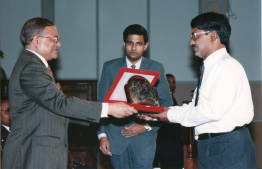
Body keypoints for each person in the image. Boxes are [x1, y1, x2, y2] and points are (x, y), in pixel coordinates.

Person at [2, 17, 137, 169]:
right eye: (54, 39)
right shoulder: (32, 68)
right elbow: (60, 104)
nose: (58, 44)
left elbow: (55, 111)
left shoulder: (33, 65)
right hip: (33, 155)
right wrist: (109, 109)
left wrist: (107, 115)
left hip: (38, 154)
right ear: (36, 40)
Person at [139, 12, 258, 169]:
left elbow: (211, 111)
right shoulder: (211, 68)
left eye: (195, 36)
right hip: (213, 147)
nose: (191, 42)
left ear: (213, 35)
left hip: (227, 148)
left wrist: (167, 114)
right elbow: (196, 107)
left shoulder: (226, 67)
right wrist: (158, 113)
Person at [97, 24, 173, 169]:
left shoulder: (156, 68)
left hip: (144, 141)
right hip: (115, 139)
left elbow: (166, 103)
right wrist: (102, 136)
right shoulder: (110, 67)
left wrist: (146, 126)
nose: (133, 48)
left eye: (139, 44)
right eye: (130, 43)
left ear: (146, 46)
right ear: (124, 43)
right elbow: (102, 104)